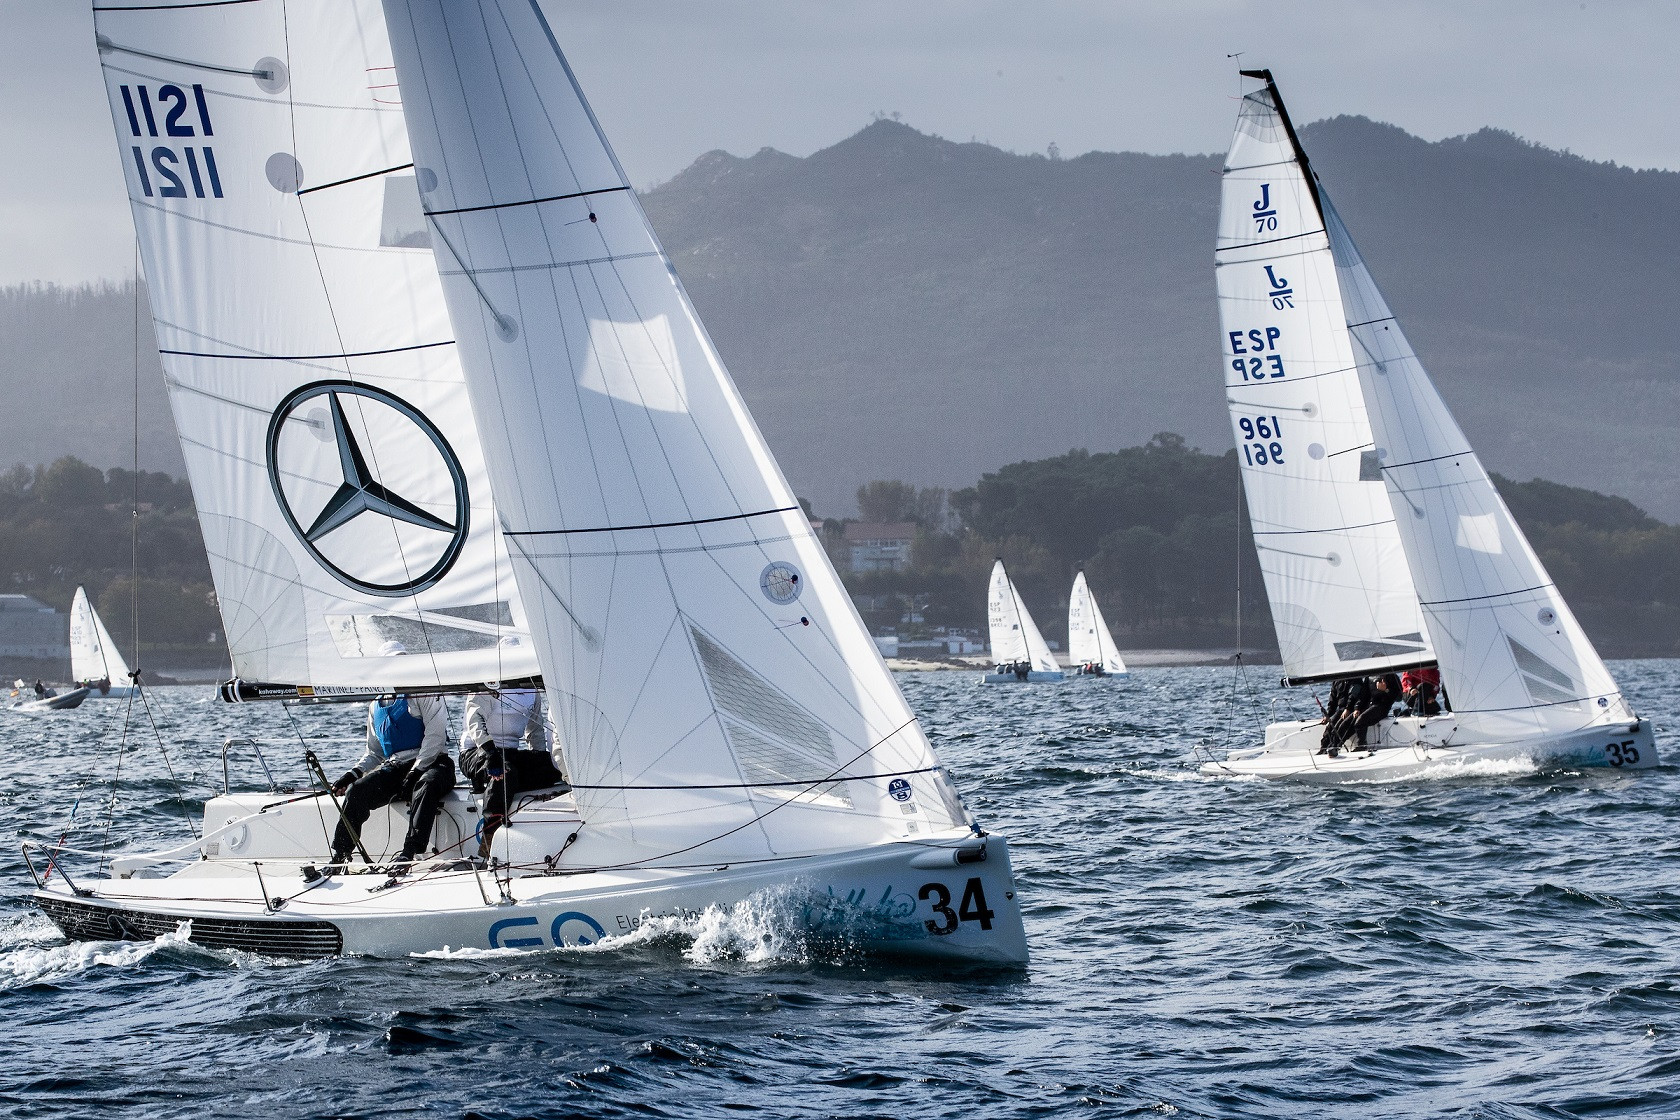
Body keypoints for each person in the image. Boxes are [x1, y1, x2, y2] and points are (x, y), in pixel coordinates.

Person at [327, 641, 453, 870]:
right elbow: (374, 752)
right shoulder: (376, 705)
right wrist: (351, 774)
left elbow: (435, 736)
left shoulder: (424, 691)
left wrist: (416, 771)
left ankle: (409, 852)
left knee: (426, 785)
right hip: (398, 767)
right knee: (357, 791)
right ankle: (340, 855)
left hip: (434, 762)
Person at [459, 685, 566, 858]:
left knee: (552, 768)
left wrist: (539, 759)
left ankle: (510, 787)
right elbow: (474, 722)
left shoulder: (532, 691)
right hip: (477, 751)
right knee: (506, 771)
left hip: (509, 753)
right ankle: (490, 835)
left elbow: (535, 731)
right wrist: (489, 751)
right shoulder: (488, 685)